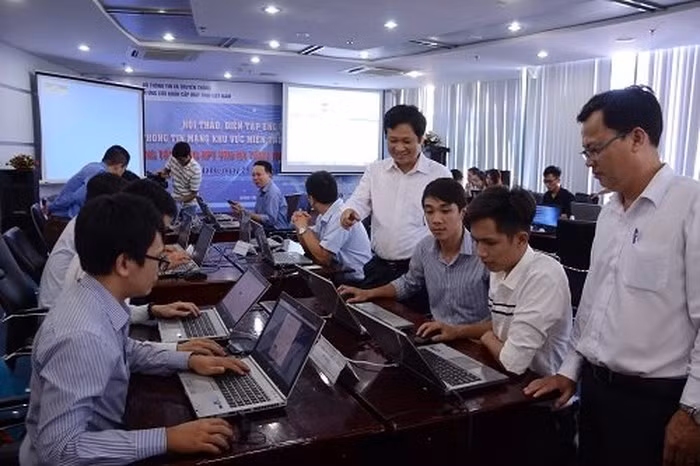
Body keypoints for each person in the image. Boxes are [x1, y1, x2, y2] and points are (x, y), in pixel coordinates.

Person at [525, 85, 700, 466]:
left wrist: (693, 412)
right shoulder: (609, 213)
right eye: (585, 152)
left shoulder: (691, 206)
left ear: (637, 138)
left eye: (596, 149)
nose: (589, 162)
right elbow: (592, 304)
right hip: (597, 392)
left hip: (658, 401)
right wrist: (569, 371)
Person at [20, 193, 250, 465]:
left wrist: (186, 359)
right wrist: (167, 438)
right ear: (124, 264)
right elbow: (61, 451)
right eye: (158, 258)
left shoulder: (93, 297)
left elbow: (123, 351)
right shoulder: (82, 337)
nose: (160, 268)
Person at [417, 186, 571, 375]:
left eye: (490, 243)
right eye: (476, 241)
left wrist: (487, 337)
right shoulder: (500, 266)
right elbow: (502, 326)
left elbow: (513, 363)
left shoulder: (543, 277)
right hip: (502, 371)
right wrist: (455, 331)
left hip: (535, 383)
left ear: (521, 239)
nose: (480, 252)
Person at [338, 178, 489, 325]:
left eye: (445, 211)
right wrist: (367, 293)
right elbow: (408, 284)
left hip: (476, 338)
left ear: (462, 212)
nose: (436, 219)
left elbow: (498, 321)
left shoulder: (484, 253)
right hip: (436, 332)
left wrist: (456, 332)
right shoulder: (424, 248)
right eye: (429, 212)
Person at [340, 105, 451, 287]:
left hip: (421, 270)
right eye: (393, 140)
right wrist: (350, 210)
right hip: (379, 267)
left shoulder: (439, 174)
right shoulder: (376, 171)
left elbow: (448, 221)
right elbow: (359, 200)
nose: (399, 148)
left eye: (406, 141)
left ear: (421, 139)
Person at [39, 172, 128, 309]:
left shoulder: (84, 222)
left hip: (66, 308)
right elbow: (103, 306)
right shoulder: (93, 231)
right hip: (60, 314)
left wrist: (149, 310)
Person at [291, 171, 371, 282]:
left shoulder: (341, 216)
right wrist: (299, 224)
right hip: (338, 273)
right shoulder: (324, 215)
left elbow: (323, 258)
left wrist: (304, 228)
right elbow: (311, 251)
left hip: (356, 281)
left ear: (311, 199)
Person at [48, 145, 130, 218]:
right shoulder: (100, 173)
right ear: (119, 166)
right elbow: (78, 197)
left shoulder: (94, 166)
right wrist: (52, 207)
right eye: (124, 169)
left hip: (61, 214)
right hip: (65, 217)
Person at [229, 160, 288, 230]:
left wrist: (245, 212)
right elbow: (257, 215)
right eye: (253, 175)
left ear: (269, 175)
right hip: (263, 230)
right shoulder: (261, 191)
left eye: (259, 175)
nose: (255, 178)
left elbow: (270, 220)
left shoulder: (272, 193)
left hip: (275, 232)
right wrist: (242, 210)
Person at [159, 141, 202, 218]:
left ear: (189, 155)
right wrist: (163, 174)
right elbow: (166, 170)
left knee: (186, 224)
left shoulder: (196, 170)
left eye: (181, 160)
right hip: (175, 197)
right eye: (177, 159)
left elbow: (193, 194)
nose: (178, 162)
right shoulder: (174, 157)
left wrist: (179, 201)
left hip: (189, 204)